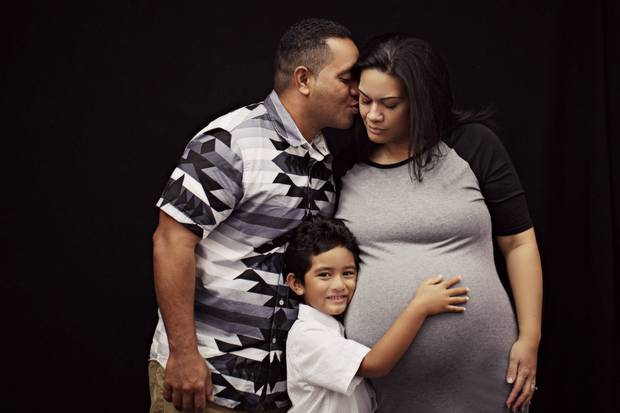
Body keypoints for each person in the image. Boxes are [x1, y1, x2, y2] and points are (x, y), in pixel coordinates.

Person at [148, 18, 360, 413]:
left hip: (279, 393)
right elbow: (171, 242)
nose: (357, 92)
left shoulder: (323, 155)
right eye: (347, 78)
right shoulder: (231, 141)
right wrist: (184, 354)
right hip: (204, 381)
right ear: (303, 79)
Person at [335, 34, 543, 413]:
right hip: (383, 387)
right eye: (365, 100)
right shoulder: (346, 165)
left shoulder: (472, 145)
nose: (373, 114)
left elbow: (519, 244)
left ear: (421, 102)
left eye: (390, 104)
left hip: (483, 374)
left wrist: (530, 338)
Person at [283, 217, 470, 413]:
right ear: (297, 284)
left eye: (348, 273)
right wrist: (420, 307)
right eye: (324, 275)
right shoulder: (306, 337)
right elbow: (375, 364)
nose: (339, 285)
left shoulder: (332, 329)